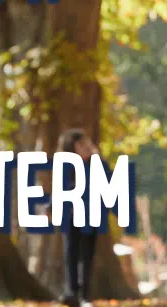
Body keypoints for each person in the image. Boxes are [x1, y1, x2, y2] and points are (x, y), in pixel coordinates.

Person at [57, 129, 105, 307]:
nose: (85, 147)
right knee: (71, 254)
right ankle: (72, 292)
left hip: (91, 215)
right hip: (70, 216)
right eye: (80, 145)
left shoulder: (96, 164)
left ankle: (85, 295)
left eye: (86, 143)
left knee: (87, 255)